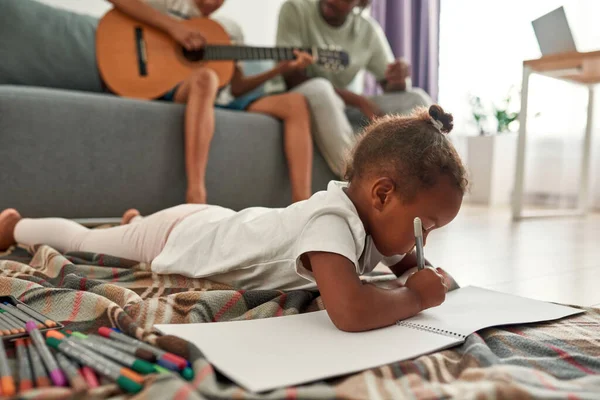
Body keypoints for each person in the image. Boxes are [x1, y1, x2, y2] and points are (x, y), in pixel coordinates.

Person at [0, 105, 467, 333]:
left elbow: (402, 264)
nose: (424, 241)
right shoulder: (331, 223)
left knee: (134, 229)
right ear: (382, 194)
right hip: (182, 236)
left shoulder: (376, 219)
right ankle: (15, 224)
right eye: (425, 226)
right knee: (86, 237)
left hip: (220, 223)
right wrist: (414, 299)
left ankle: (136, 220)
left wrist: (418, 273)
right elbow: (349, 311)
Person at [106, 0, 315, 203]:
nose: (210, 2)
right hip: (176, 88)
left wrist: (280, 70)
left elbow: (237, 87)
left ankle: (302, 206)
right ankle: (196, 195)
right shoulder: (170, 5)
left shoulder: (230, 30)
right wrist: (173, 28)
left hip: (220, 98)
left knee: (296, 102)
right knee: (207, 78)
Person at [274, 0, 433, 177]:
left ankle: (421, 174)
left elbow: (390, 85)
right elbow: (291, 77)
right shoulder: (296, 9)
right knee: (321, 89)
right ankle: (357, 176)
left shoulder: (367, 30)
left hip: (341, 106)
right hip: (304, 95)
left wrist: (400, 77)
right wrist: (358, 100)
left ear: (360, 2)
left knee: (417, 98)